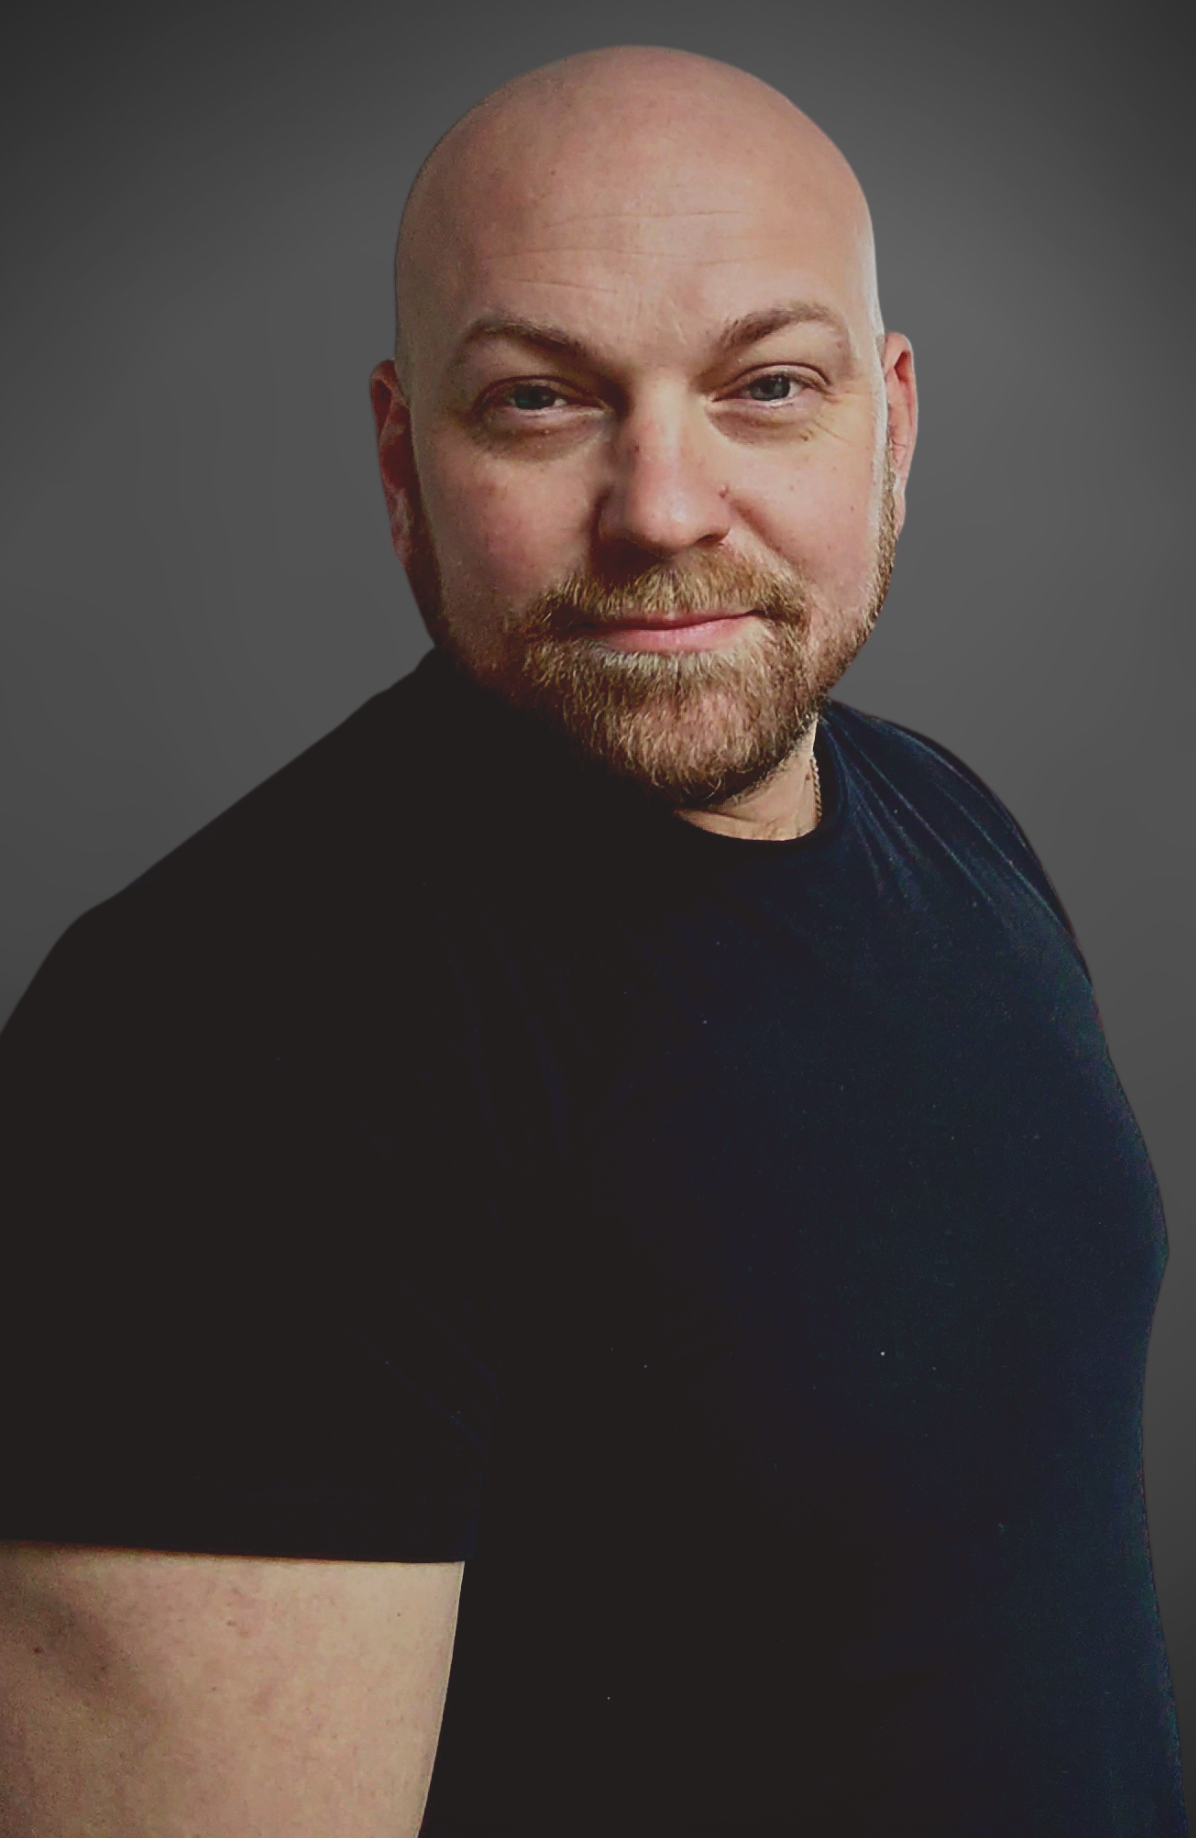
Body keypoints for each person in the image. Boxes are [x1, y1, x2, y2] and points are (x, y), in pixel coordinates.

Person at [0, 43, 1187, 1838]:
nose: (661, 506)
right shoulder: (217, 1046)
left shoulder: (954, 824)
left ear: (895, 427)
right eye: (543, 404)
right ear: (405, 464)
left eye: (769, 387)